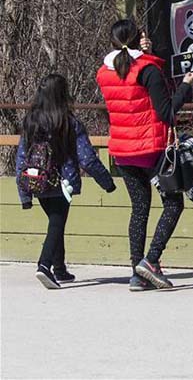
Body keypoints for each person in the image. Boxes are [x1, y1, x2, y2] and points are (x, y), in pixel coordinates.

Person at [96, 19, 193, 291]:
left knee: (139, 208)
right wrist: (186, 86)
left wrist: (147, 55)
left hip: (123, 151)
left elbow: (130, 79)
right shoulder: (148, 69)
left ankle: (137, 273)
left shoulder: (104, 72)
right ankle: (151, 260)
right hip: (151, 150)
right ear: (136, 40)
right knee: (173, 205)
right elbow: (167, 112)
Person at [15, 74, 117, 289]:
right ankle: (44, 265)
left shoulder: (31, 121)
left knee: (55, 222)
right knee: (56, 223)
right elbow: (87, 158)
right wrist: (107, 182)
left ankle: (59, 268)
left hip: (36, 181)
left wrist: (24, 194)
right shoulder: (69, 122)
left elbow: (21, 157)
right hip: (62, 183)